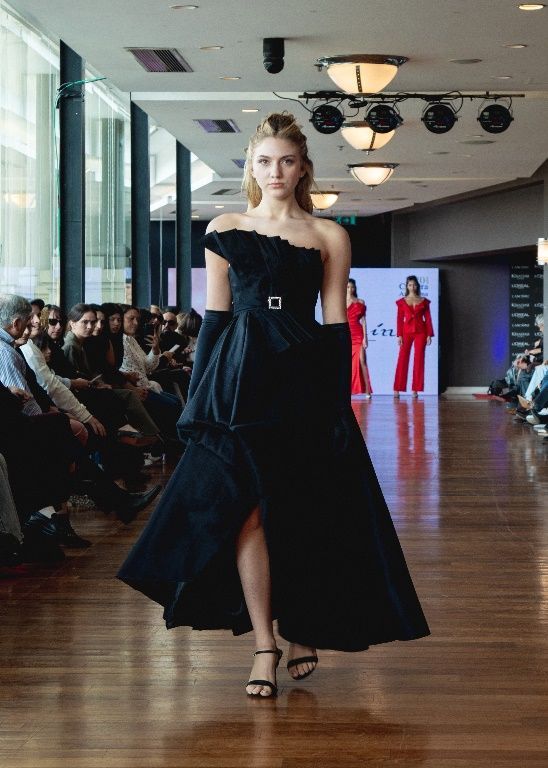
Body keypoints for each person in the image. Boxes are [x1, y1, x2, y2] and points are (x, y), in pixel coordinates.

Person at [118, 113, 429, 698]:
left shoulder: (330, 235)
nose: (276, 171)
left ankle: (301, 627)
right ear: (251, 168)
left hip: (302, 381)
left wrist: (339, 404)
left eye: (287, 161)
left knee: (301, 507)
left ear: (303, 167)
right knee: (247, 510)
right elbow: (216, 320)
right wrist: (198, 402)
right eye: (264, 161)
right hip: (238, 383)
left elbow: (335, 326)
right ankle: (265, 643)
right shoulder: (225, 228)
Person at [393, 275, 434, 398]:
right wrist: (399, 335)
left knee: (419, 359)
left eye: (414, 285)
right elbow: (399, 319)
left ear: (417, 286)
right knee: (402, 358)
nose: (412, 287)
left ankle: (416, 389)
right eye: (410, 285)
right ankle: (397, 388)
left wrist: (429, 334)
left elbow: (428, 318)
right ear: (407, 286)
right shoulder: (402, 302)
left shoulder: (424, 301)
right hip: (406, 332)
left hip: (421, 332)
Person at [346, 278, 372, 397]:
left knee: (362, 361)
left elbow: (363, 321)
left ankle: (367, 390)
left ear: (355, 288)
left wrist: (365, 338)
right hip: (345, 333)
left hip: (358, 334)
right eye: (348, 287)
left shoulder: (360, 301)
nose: (350, 289)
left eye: (352, 287)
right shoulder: (340, 302)